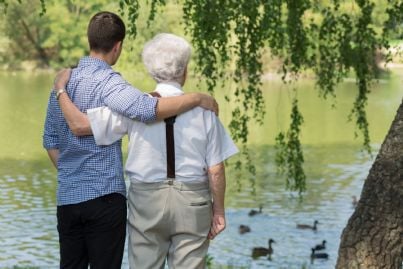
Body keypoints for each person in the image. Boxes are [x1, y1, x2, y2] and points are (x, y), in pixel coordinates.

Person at [44, 12, 218, 269]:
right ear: (118, 47)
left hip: (68, 198)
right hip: (104, 197)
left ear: (89, 39)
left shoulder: (63, 83)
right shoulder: (111, 84)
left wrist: (73, 172)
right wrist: (196, 99)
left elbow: (50, 141)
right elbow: (148, 110)